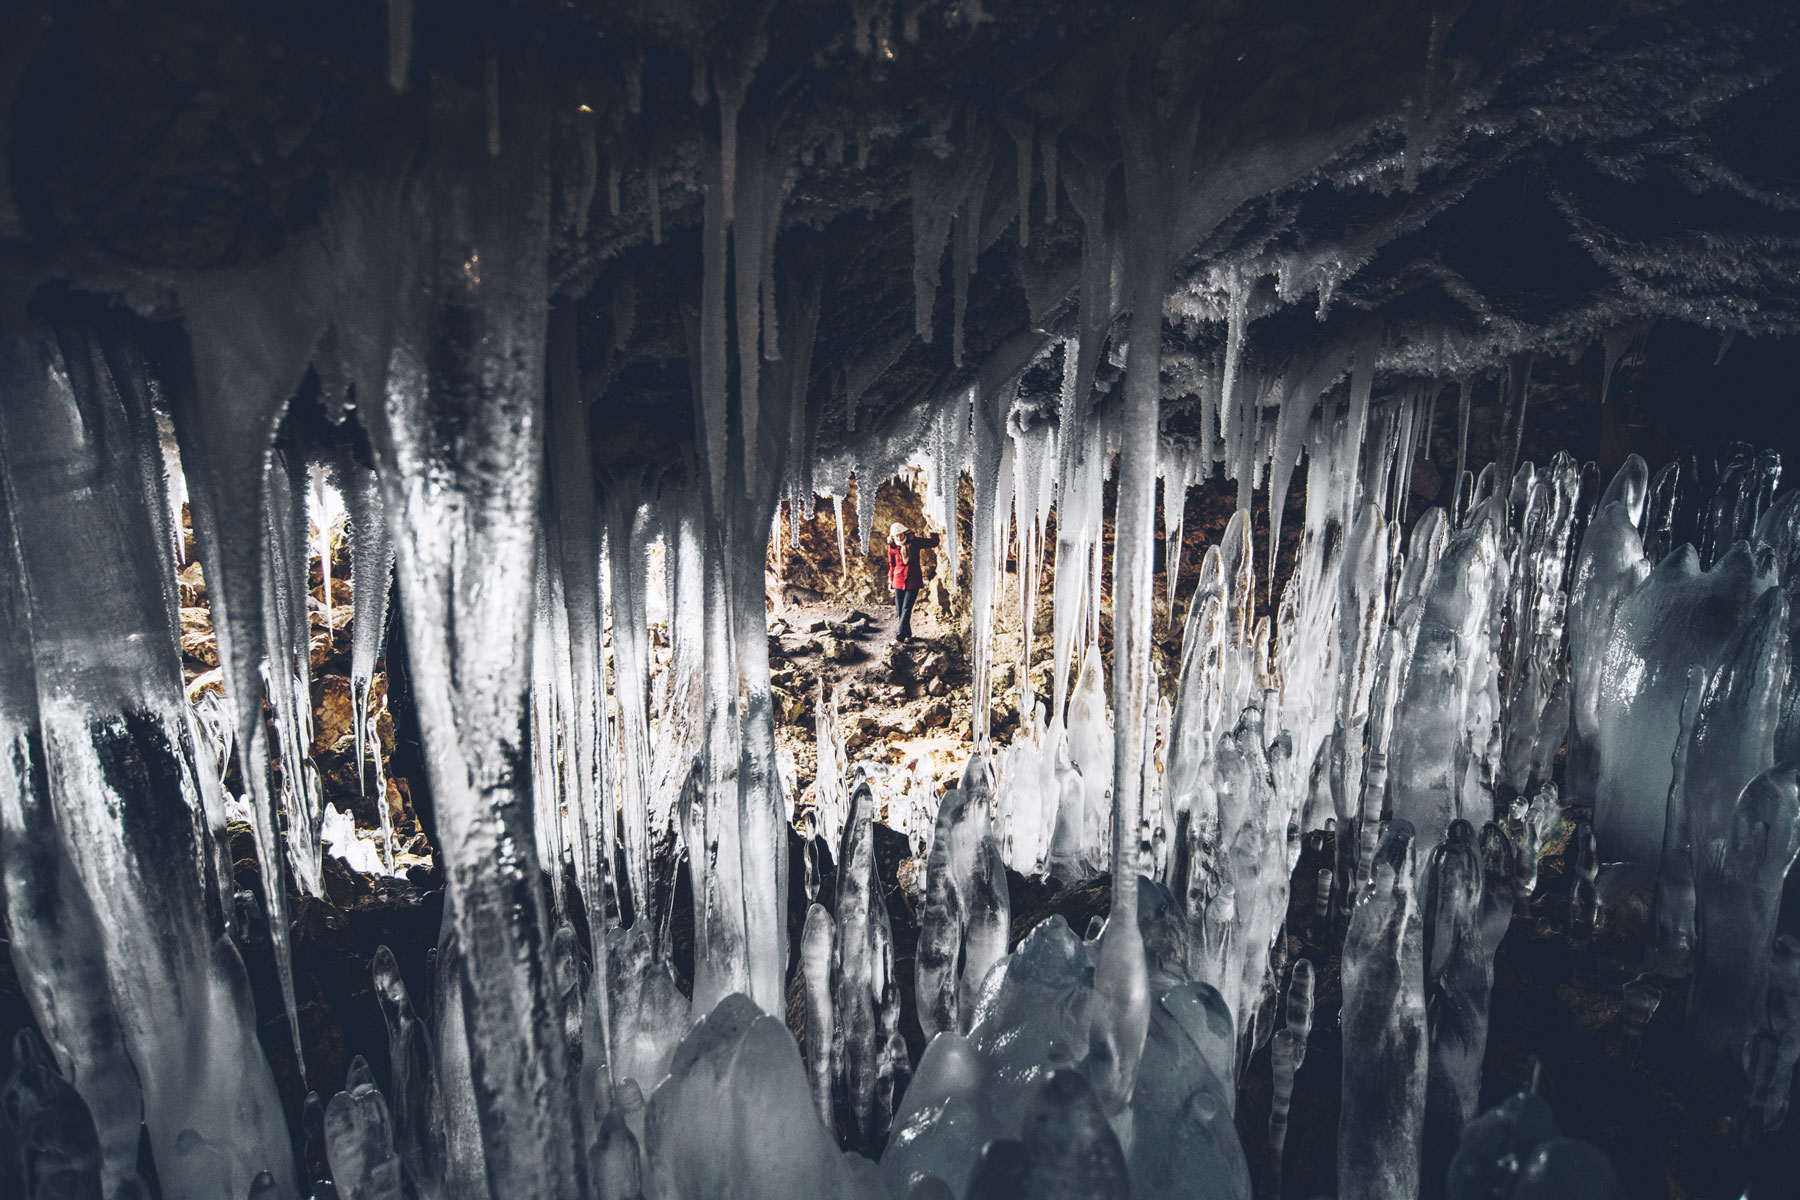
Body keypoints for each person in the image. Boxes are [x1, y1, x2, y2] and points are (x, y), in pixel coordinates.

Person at [886, 522, 939, 641]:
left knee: (906, 608)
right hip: (898, 580)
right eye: (896, 536)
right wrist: (890, 580)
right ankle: (908, 634)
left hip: (913, 580)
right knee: (899, 610)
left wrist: (933, 529)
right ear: (893, 537)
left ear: (905, 533)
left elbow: (934, 542)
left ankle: (899, 637)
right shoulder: (892, 546)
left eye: (900, 535)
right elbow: (892, 564)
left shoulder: (915, 542)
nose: (899, 538)